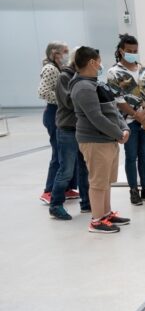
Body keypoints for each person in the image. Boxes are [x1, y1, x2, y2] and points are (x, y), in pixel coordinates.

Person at [71, 46, 131, 233]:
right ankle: (96, 221)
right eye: (98, 61)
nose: (100, 64)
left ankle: (106, 214)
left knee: (105, 181)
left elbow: (111, 108)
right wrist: (117, 133)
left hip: (108, 138)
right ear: (91, 62)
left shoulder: (95, 83)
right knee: (98, 182)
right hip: (95, 140)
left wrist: (124, 127)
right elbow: (95, 117)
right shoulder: (82, 86)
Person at [106, 34, 145, 205]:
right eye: (129, 51)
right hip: (128, 121)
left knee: (144, 155)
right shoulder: (114, 72)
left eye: (135, 51)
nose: (132, 53)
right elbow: (118, 99)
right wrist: (138, 116)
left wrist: (144, 114)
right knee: (131, 156)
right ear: (121, 51)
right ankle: (133, 190)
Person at [49, 48, 90, 220]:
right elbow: (68, 101)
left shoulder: (85, 76)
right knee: (66, 169)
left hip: (82, 129)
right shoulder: (65, 76)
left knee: (84, 168)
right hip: (67, 129)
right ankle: (55, 205)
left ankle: (87, 203)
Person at [39, 41, 78, 205]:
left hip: (62, 112)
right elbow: (43, 92)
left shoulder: (59, 69)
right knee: (59, 153)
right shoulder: (50, 69)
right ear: (54, 53)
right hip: (54, 113)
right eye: (65, 51)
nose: (67, 55)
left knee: (68, 153)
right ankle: (49, 190)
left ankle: (67, 187)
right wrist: (64, 100)